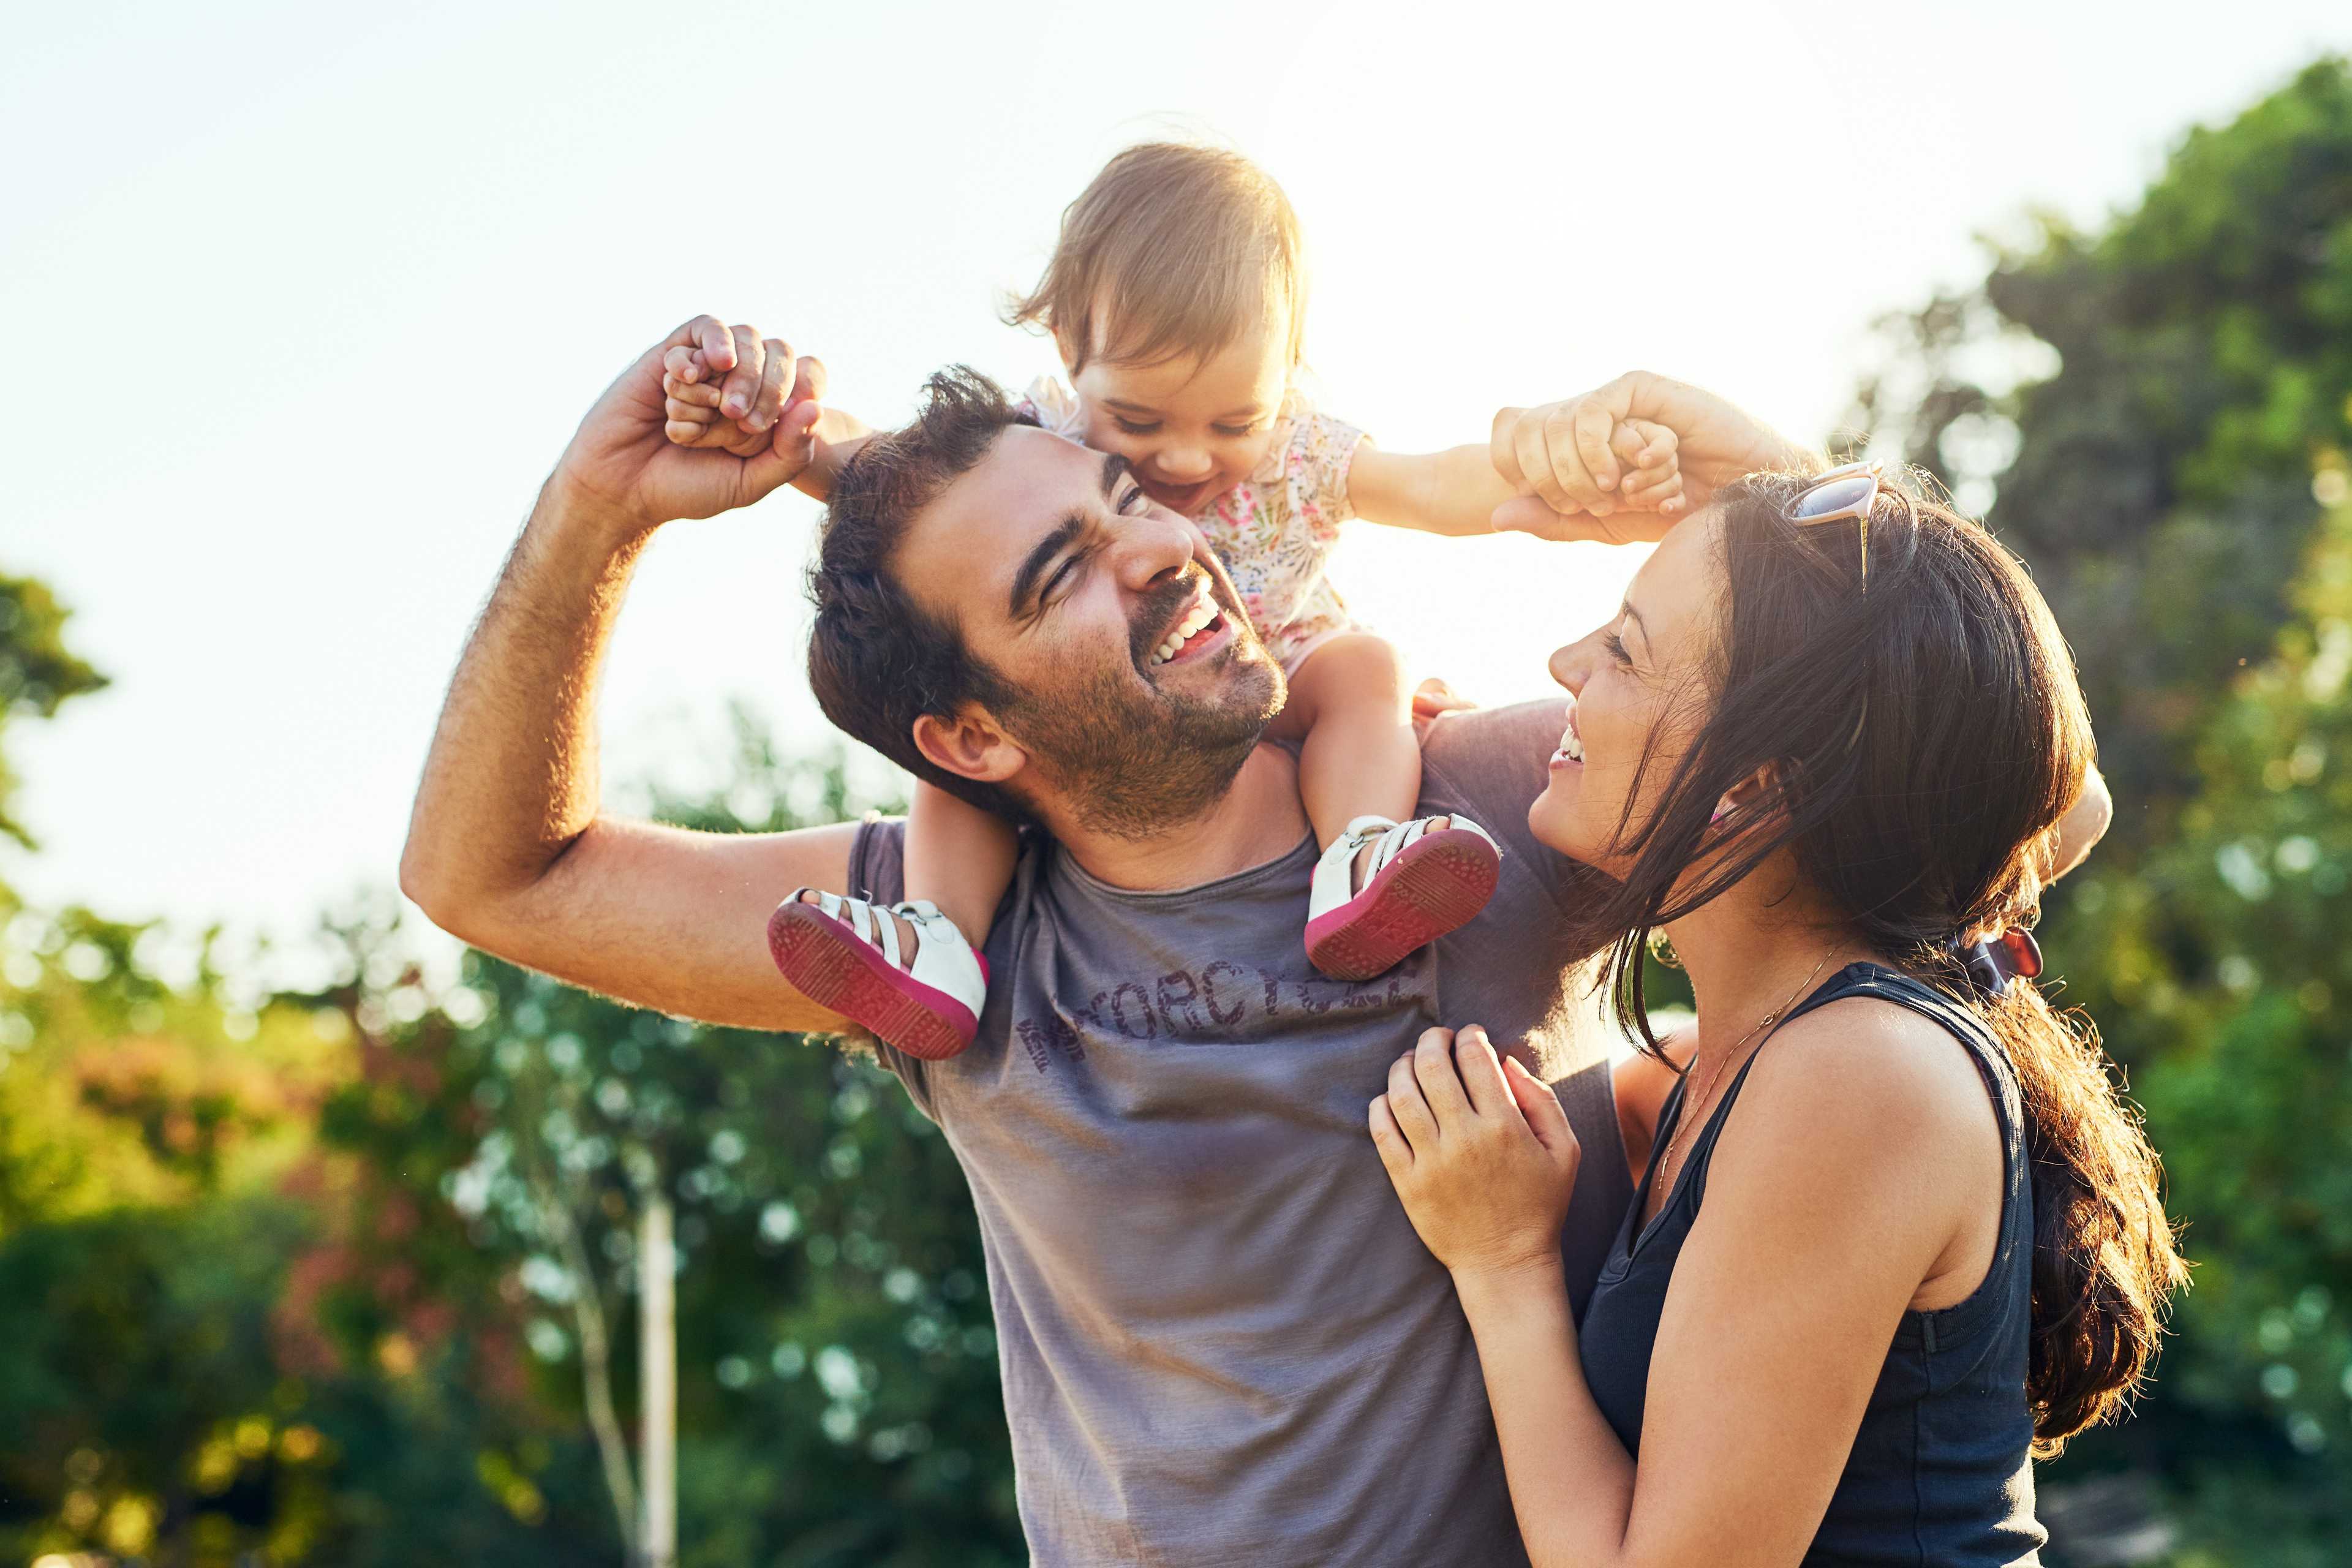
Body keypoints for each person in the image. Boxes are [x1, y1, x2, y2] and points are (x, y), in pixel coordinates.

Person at [398, 318, 2107, 1564]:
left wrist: (1767, 489)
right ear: (974, 744)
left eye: (1130, 493)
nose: (1163, 545)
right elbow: (500, 880)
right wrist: (596, 508)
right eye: (1066, 568)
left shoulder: (1499, 802)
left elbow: (1984, 771)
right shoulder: (941, 940)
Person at [658, 143, 1685, 1059]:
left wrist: (1553, 472)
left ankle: (1361, 854)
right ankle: (938, 941)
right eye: (1139, 419)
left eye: (1235, 418)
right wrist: (763, 414)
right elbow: (869, 461)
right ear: (1069, 348)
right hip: (1116, 708)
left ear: (1287, 378)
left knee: (1367, 669)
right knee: (974, 753)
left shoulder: (1299, 451)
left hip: (1273, 677)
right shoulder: (1038, 444)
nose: (1188, 458)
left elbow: (1429, 484)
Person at [1369, 449, 2185, 1564]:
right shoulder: (1718, 1070)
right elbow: (2025, 784)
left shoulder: (1860, 1077)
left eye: (1622, 650)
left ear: (1753, 784)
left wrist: (1504, 1269)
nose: (1565, 663)